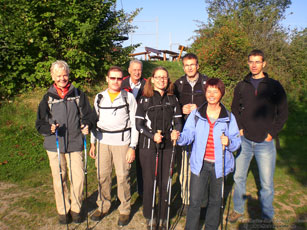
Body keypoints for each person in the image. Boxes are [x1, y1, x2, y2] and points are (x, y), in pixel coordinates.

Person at [172, 78, 241, 230]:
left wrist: (228, 142)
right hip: (200, 164)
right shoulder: (196, 114)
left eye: (215, 91)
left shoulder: (229, 117)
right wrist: (179, 137)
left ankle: (211, 227)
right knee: (195, 200)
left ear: (221, 93)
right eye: (209, 91)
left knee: (216, 201)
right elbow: (188, 135)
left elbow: (236, 142)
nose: (211, 95)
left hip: (220, 165)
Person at [229, 49, 288, 222]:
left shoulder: (274, 86)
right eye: (251, 62)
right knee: (239, 177)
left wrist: (272, 133)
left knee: (267, 183)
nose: (254, 65)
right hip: (244, 141)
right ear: (247, 63)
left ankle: (267, 215)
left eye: (257, 62)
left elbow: (283, 112)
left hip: (265, 142)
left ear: (264, 64)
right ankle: (238, 209)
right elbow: (234, 109)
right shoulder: (241, 86)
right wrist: (239, 128)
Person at [35, 60, 95, 224]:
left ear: (69, 75)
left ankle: (76, 209)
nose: (62, 78)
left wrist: (87, 125)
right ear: (53, 76)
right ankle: (63, 211)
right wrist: (49, 129)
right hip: (54, 145)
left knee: (78, 178)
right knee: (59, 179)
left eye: (65, 75)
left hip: (75, 143)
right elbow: (39, 124)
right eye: (59, 75)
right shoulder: (47, 98)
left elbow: (89, 115)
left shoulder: (78, 94)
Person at [89, 66, 138, 227]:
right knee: (102, 175)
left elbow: (135, 124)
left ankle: (124, 209)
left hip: (122, 142)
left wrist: (132, 146)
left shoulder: (128, 97)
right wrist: (92, 143)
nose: (116, 81)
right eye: (113, 78)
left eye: (119, 78)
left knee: (123, 176)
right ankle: (103, 205)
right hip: (102, 142)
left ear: (122, 79)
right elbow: (93, 122)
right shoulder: (99, 97)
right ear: (107, 79)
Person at [135, 67, 182, 229]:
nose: (162, 80)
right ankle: (150, 215)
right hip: (148, 147)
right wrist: (151, 135)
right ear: (152, 79)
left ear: (168, 80)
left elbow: (178, 121)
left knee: (165, 182)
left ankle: (163, 215)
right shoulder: (144, 99)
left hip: (168, 146)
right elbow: (138, 124)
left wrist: (177, 131)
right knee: (150, 182)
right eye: (158, 77)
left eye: (165, 77)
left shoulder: (173, 99)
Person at [173, 53, 208, 214]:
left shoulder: (207, 82)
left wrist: (199, 110)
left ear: (198, 66)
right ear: (183, 66)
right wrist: (181, 109)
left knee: (203, 167)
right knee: (185, 169)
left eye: (192, 64)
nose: (190, 68)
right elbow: (172, 106)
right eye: (187, 65)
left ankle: (202, 203)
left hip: (204, 130)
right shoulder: (178, 84)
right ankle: (186, 202)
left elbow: (215, 104)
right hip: (185, 131)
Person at [121, 59, 146, 198]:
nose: (137, 72)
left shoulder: (147, 84)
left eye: (139, 70)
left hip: (141, 125)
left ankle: (142, 191)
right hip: (125, 126)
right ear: (129, 70)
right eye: (134, 69)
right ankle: (125, 190)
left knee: (141, 161)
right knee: (125, 160)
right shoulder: (122, 84)